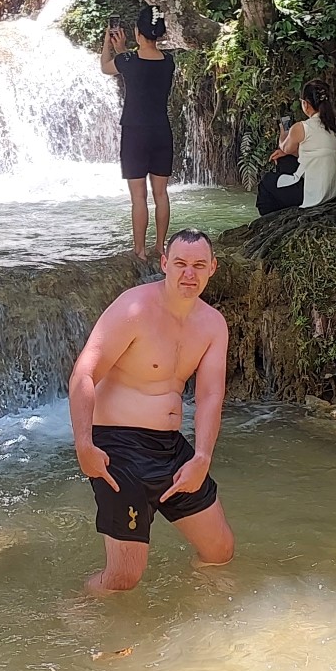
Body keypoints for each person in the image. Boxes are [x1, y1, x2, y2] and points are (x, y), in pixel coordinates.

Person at [69, 228, 234, 594]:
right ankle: (79, 612)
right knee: (125, 577)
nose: (188, 274)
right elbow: (84, 373)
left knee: (219, 551)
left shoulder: (212, 324)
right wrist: (84, 445)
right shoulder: (135, 308)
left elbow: (209, 395)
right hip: (118, 449)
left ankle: (197, 616)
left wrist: (202, 457)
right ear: (164, 264)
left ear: (212, 269)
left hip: (171, 448)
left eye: (198, 265)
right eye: (180, 264)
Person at [101, 6, 175, 263]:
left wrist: (108, 44)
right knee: (161, 194)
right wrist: (125, 52)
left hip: (134, 133)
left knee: (138, 197)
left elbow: (107, 68)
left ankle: (140, 251)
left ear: (136, 32)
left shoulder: (127, 61)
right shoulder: (169, 62)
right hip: (161, 132)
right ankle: (161, 247)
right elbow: (138, 69)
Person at [256, 80, 336, 216]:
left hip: (314, 195)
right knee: (285, 160)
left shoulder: (302, 127)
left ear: (305, 103)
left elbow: (284, 147)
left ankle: (269, 221)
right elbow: (319, 152)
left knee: (266, 182)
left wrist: (283, 134)